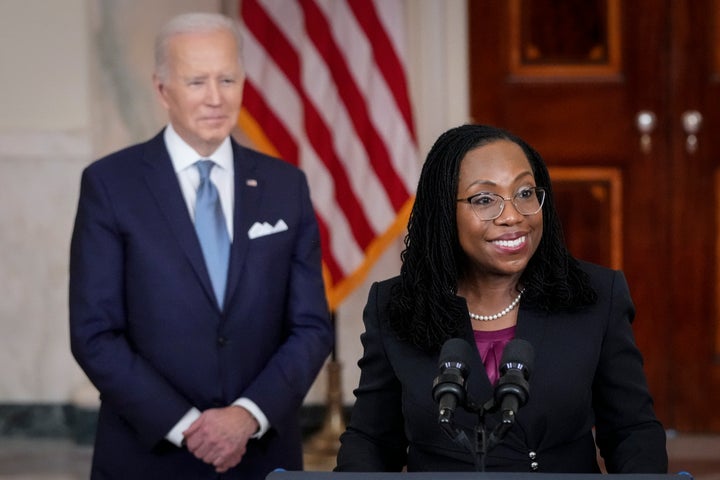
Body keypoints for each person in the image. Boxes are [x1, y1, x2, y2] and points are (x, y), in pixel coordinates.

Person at [69, 12, 333, 479]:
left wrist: (247, 416)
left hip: (262, 456)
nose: (216, 98)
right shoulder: (111, 186)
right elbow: (94, 334)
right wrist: (190, 427)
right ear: (161, 89)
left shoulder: (285, 186)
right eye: (196, 82)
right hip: (148, 455)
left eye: (227, 79)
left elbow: (311, 326)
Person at [335, 124, 668, 473]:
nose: (512, 216)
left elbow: (632, 432)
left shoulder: (596, 295)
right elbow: (372, 440)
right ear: (445, 211)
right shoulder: (395, 305)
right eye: (484, 199)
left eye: (525, 192)